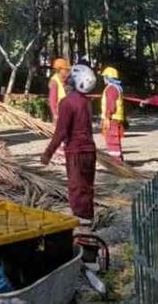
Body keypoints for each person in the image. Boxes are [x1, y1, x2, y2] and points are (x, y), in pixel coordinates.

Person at [41, 64, 98, 228]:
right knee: (87, 187)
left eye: (70, 77)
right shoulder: (86, 102)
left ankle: (82, 225)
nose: (66, 79)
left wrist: (48, 153)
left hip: (76, 152)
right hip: (89, 151)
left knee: (77, 188)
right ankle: (88, 219)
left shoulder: (67, 102)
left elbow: (61, 132)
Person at [100, 67, 125, 163]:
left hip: (112, 119)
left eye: (104, 77)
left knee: (112, 140)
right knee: (115, 140)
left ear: (108, 77)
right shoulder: (117, 87)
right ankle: (119, 159)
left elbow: (110, 104)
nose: (103, 79)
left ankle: (116, 161)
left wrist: (107, 116)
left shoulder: (111, 89)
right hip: (116, 118)